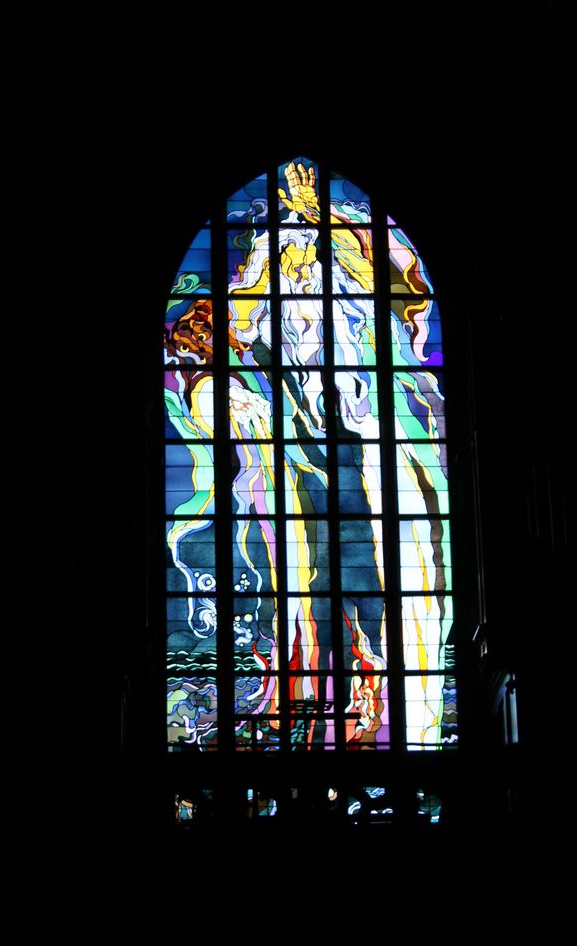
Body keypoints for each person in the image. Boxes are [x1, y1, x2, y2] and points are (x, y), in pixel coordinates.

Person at [165, 162, 450, 751]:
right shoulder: (253, 298)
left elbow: (406, 295)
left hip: (378, 459)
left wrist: (325, 220)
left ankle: (399, 732)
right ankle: (310, 724)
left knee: (404, 590)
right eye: (285, 241)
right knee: (303, 596)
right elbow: (199, 343)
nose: (297, 254)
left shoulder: (358, 291)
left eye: (307, 235)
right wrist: (216, 391)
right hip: (292, 469)